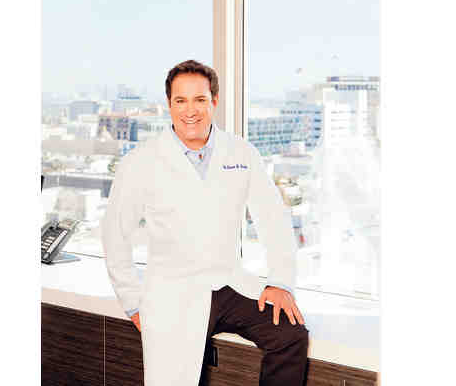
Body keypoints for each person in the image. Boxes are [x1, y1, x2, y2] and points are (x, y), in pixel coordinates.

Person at [102, 60, 309, 386]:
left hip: (229, 285)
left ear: (214, 101)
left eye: (199, 99)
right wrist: (132, 303)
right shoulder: (141, 161)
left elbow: (274, 220)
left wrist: (280, 282)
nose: (190, 110)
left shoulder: (241, 153)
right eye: (180, 100)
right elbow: (115, 234)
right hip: (172, 291)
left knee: (290, 334)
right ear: (169, 104)